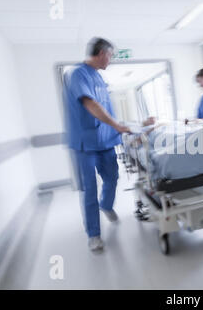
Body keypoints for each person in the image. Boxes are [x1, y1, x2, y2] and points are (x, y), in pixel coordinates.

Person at [64, 37, 131, 251]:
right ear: (101, 53)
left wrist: (121, 127)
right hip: (85, 144)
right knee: (90, 189)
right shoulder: (77, 74)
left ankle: (107, 205)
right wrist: (117, 125)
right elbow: (90, 104)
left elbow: (107, 108)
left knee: (112, 177)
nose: (111, 60)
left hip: (106, 141)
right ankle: (93, 234)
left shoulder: (100, 78)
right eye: (110, 55)